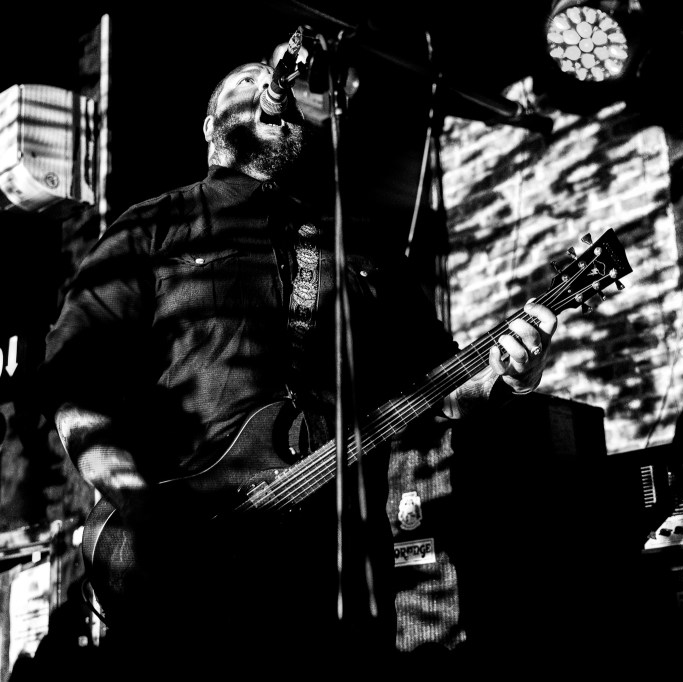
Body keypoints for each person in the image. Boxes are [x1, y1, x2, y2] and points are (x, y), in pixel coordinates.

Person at [39, 57, 559, 677]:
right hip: (195, 572)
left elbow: (441, 383)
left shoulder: (358, 245)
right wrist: (143, 510)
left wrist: (507, 374)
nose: (270, 87)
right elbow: (74, 377)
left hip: (334, 573)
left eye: (276, 81)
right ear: (210, 126)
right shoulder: (156, 226)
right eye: (247, 82)